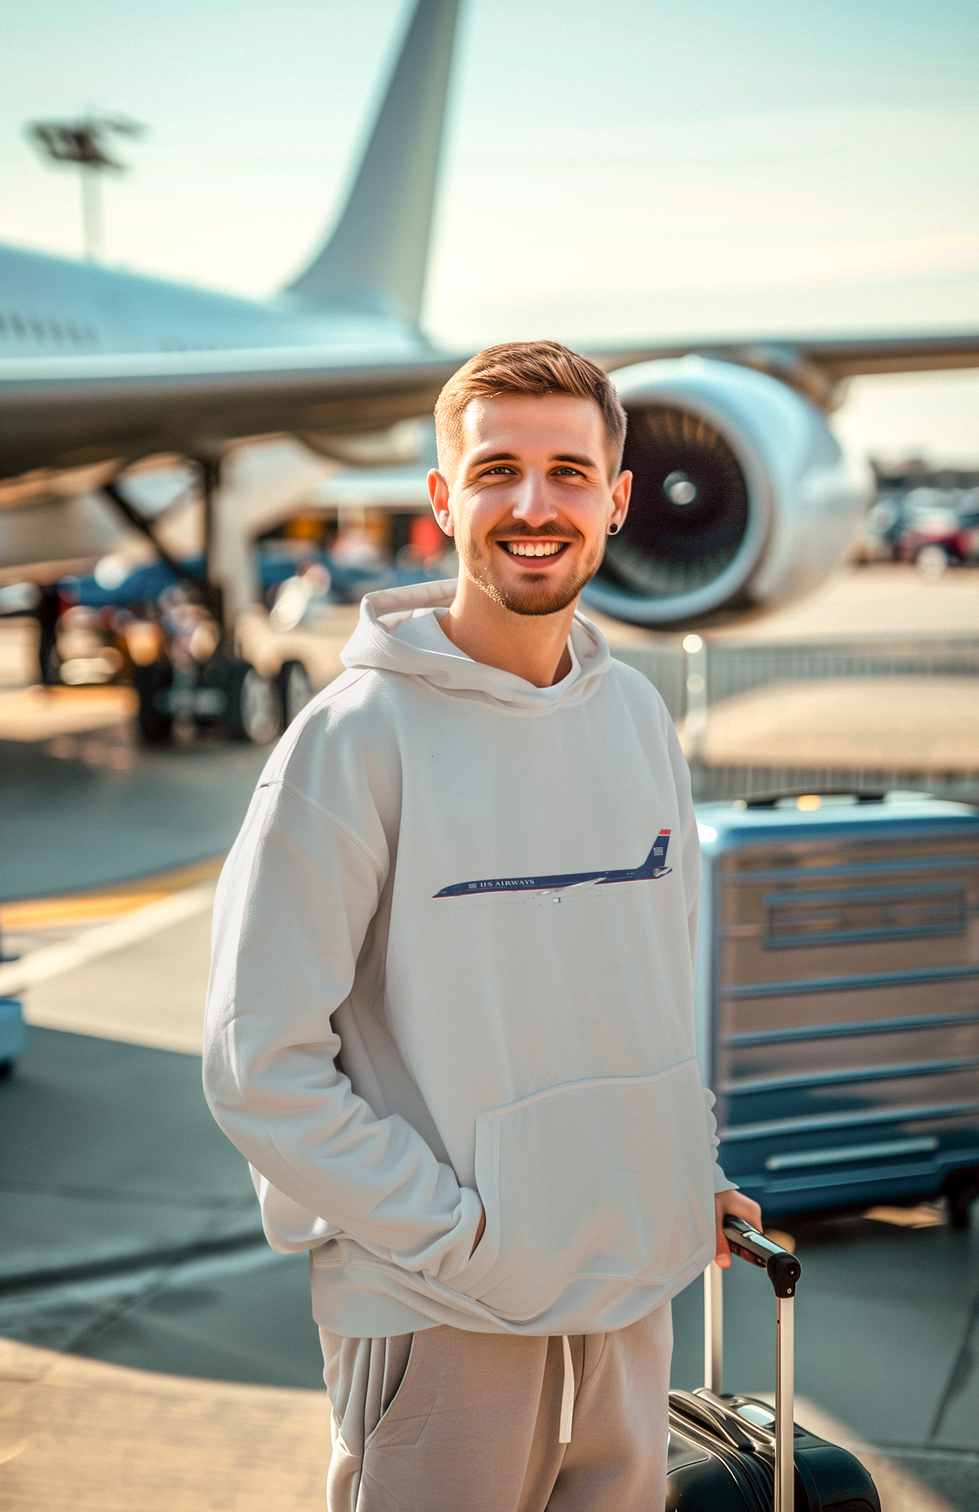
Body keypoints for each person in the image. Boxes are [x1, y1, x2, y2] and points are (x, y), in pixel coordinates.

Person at [203, 341, 761, 1512]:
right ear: (444, 499)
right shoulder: (354, 739)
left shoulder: (637, 716)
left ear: (615, 499)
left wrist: (681, 1170)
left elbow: (652, 986)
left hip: (630, 1287)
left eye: (568, 471)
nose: (532, 504)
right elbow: (259, 1068)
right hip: (440, 1311)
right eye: (496, 469)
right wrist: (462, 1241)